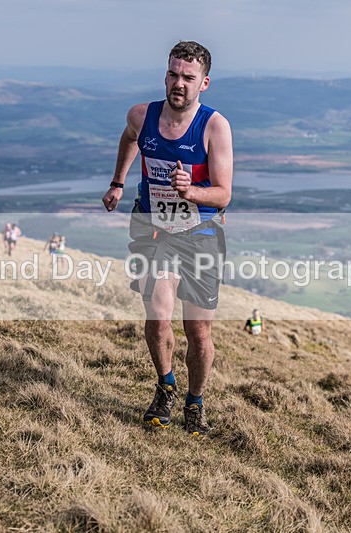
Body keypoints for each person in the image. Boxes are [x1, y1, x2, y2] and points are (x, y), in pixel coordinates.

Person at [102, 41, 233, 436]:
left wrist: (191, 191)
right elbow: (129, 139)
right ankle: (165, 387)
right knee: (158, 315)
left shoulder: (214, 126)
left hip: (200, 234)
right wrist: (118, 182)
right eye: (173, 74)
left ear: (204, 83)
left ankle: (196, 400)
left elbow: (224, 194)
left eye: (188, 78)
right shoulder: (142, 116)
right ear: (165, 75)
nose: (179, 84)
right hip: (154, 228)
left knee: (198, 331)